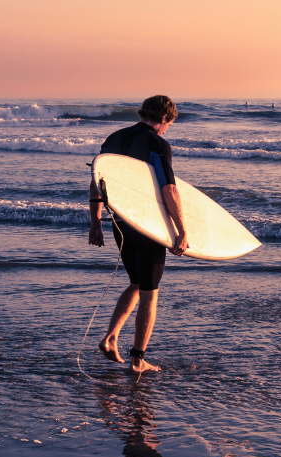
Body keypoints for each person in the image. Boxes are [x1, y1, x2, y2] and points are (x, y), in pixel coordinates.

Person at [88, 95, 188, 373]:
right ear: (165, 118)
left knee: (136, 283)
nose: (168, 128)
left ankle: (110, 337)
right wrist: (181, 231)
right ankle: (137, 359)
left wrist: (95, 223)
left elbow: (96, 182)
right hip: (147, 226)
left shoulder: (113, 139)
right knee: (149, 293)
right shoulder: (158, 144)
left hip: (120, 223)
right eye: (170, 123)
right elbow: (169, 190)